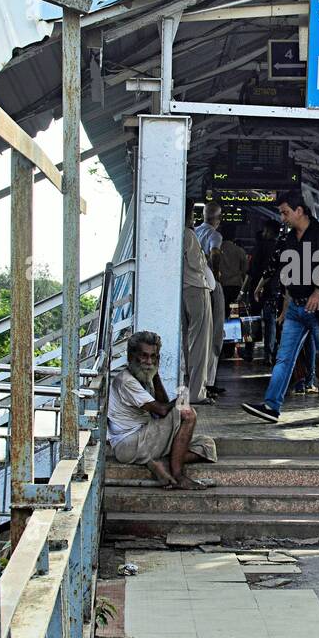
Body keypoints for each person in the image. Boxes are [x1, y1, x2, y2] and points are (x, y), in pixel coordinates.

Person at [241, 192, 319, 424]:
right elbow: (285, 273)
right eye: (281, 213)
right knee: (283, 359)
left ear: (300, 211)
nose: (282, 217)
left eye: (285, 212)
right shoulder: (288, 239)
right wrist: (285, 306)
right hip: (295, 311)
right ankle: (271, 406)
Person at [107, 331, 217, 490]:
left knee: (207, 445)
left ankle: (159, 463)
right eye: (144, 356)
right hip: (129, 444)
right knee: (188, 414)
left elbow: (163, 402)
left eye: (154, 357)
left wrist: (155, 374)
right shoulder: (126, 381)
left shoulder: (144, 375)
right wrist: (182, 398)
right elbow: (162, 411)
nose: (149, 361)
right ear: (131, 356)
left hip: (147, 439)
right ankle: (179, 476)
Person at [181, 216, 214, 404]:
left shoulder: (174, 232)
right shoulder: (188, 234)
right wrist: (205, 258)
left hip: (182, 290)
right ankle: (197, 393)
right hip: (196, 288)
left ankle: (187, 388)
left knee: (187, 342)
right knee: (201, 343)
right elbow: (196, 263)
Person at [195, 203, 227, 397]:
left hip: (193, 287)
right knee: (215, 334)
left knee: (197, 336)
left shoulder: (194, 231)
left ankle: (197, 382)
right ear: (219, 218)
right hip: (210, 286)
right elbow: (215, 254)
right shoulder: (215, 235)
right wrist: (215, 275)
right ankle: (209, 381)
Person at [245, 220, 283, 363]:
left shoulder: (260, 247)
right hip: (274, 288)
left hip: (257, 287)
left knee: (253, 320)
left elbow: (252, 271)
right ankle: (269, 354)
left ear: (269, 231)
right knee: (270, 321)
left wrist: (244, 291)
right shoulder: (280, 247)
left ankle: (249, 351)